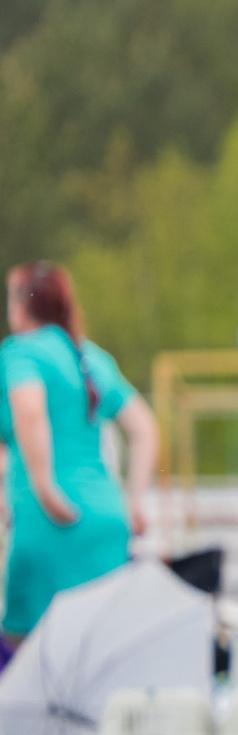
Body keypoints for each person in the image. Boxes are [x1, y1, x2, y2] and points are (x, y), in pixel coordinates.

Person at [0, 262, 157, 642]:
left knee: (28, 652)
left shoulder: (21, 352)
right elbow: (145, 429)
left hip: (52, 520)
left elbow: (31, 412)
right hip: (107, 519)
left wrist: (44, 487)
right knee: (97, 651)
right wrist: (134, 501)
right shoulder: (91, 357)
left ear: (21, 306)